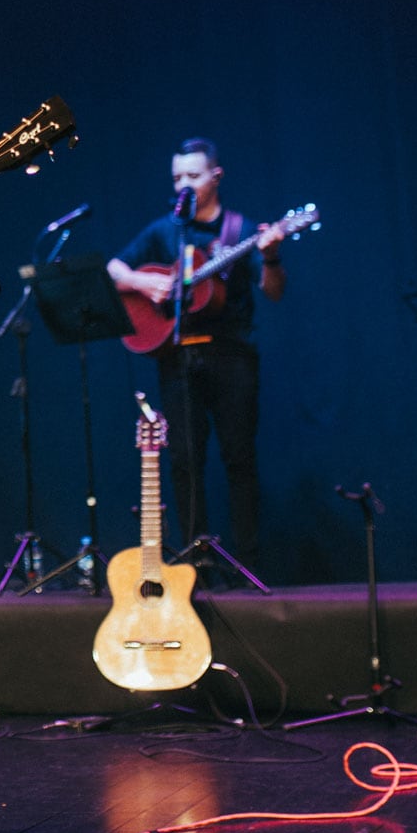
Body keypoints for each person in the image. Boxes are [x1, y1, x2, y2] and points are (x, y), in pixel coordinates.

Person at [107, 138, 286, 573]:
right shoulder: (166, 230)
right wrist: (145, 283)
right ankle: (195, 565)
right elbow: (114, 269)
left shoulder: (240, 230)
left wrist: (271, 257)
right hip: (178, 359)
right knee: (184, 462)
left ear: (215, 177)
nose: (183, 184)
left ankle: (247, 566)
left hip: (232, 356)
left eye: (193, 175)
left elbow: (274, 292)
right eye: (177, 177)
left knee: (239, 458)